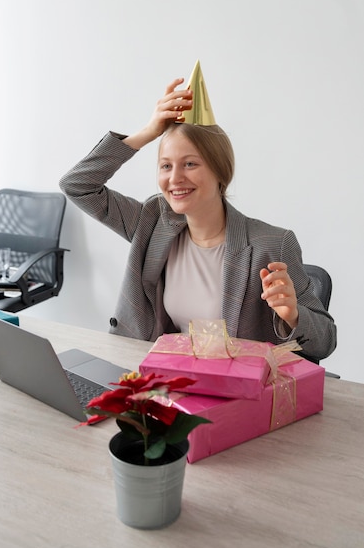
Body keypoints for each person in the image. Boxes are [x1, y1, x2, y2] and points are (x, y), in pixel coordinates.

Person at [60, 63, 336, 362]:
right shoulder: (153, 222)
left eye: (190, 164)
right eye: (166, 165)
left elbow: (325, 341)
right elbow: (77, 185)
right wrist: (148, 132)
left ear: (220, 171)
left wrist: (292, 315)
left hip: (233, 393)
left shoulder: (272, 244)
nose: (175, 178)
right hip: (161, 379)